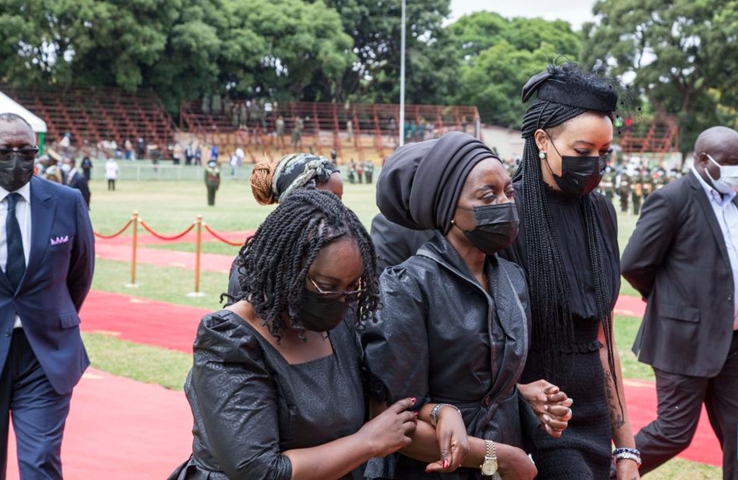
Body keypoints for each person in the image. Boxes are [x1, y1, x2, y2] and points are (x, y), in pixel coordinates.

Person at [169, 189, 417, 480]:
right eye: (328, 286)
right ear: (288, 271)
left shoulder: (338, 322)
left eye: (352, 287)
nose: (342, 299)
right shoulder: (230, 339)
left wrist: (442, 411)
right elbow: (258, 470)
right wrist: (367, 443)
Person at [362, 131, 569, 480]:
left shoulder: (512, 278)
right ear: (448, 210)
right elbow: (395, 421)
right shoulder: (407, 287)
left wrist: (523, 398)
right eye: (487, 196)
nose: (505, 204)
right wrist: (498, 457)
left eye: (509, 192)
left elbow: (486, 389)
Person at [501, 64, 640, 479]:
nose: (595, 164)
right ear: (542, 140)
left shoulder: (600, 212)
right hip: (538, 417)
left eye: (604, 154)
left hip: (594, 411)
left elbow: (604, 337)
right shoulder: (508, 215)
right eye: (582, 153)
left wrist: (627, 448)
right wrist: (517, 394)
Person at [621, 126, 738, 479]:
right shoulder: (671, 199)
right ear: (703, 160)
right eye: (732, 162)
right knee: (674, 432)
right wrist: (673, 302)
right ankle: (608, 473)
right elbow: (633, 264)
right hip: (685, 340)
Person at [0, 112, 95, 479]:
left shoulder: (66, 201)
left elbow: (80, 275)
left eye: (26, 151)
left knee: (40, 461)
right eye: (5, 151)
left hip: (46, 354)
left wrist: (52, 314)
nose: (16, 159)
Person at [225, 153, 343, 302]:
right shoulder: (257, 260)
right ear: (298, 199)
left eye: (340, 198)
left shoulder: (333, 249)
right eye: (331, 197)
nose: (339, 207)